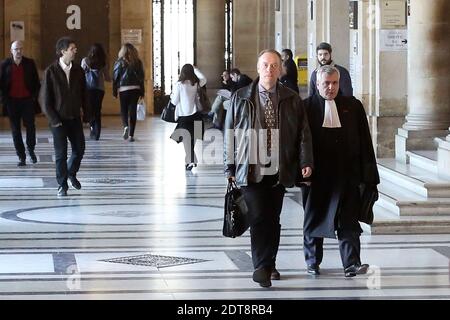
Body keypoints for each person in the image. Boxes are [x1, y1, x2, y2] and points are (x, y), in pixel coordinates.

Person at [224, 49, 313, 288]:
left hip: (279, 166)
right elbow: (229, 134)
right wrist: (229, 166)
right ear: (258, 67)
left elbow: (303, 133)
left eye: (274, 65)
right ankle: (261, 266)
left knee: (273, 218)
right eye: (265, 65)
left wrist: (306, 162)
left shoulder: (291, 98)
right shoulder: (240, 97)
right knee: (259, 216)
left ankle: (269, 263)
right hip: (250, 167)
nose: (270, 70)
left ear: (281, 69)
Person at [301, 65, 379, 278]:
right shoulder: (306, 107)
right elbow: (299, 142)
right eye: (326, 83)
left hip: (347, 175)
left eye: (335, 83)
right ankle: (312, 262)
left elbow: (365, 142)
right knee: (314, 218)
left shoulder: (352, 106)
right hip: (316, 176)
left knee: (349, 221)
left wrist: (369, 175)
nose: (331, 87)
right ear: (317, 84)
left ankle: (351, 263)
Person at [41, 37, 88, 197]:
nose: (75, 51)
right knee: (61, 153)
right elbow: (45, 99)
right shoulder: (51, 71)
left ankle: (71, 172)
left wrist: (86, 114)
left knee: (80, 149)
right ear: (63, 51)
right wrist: (54, 120)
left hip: (74, 117)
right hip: (58, 120)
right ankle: (62, 185)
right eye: (72, 48)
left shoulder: (78, 71)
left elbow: (84, 94)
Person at [0, 40, 41, 166]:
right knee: (15, 130)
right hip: (12, 102)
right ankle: (21, 156)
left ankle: (31, 149)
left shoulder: (29, 63)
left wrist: (33, 97)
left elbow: (36, 82)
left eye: (20, 49)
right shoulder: (4, 64)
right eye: (16, 49)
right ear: (11, 51)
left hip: (27, 100)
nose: (18, 51)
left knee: (31, 127)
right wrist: (4, 99)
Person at [170, 64, 207, 171]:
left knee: (187, 140)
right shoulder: (197, 83)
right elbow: (204, 78)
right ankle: (190, 161)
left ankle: (191, 161)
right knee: (192, 140)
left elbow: (174, 101)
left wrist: (172, 96)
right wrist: (196, 69)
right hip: (197, 115)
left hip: (184, 116)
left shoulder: (179, 85)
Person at [113, 43, 145, 142]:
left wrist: (114, 91)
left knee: (124, 109)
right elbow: (141, 78)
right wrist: (142, 91)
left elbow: (115, 77)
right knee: (133, 110)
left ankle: (125, 126)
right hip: (135, 88)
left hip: (123, 89)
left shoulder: (119, 62)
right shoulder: (138, 62)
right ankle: (131, 135)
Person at [81, 43, 110, 141]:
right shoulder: (103, 63)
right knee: (97, 110)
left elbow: (81, 74)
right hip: (99, 89)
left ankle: (92, 129)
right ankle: (97, 132)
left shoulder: (85, 61)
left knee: (90, 110)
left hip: (88, 89)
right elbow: (107, 78)